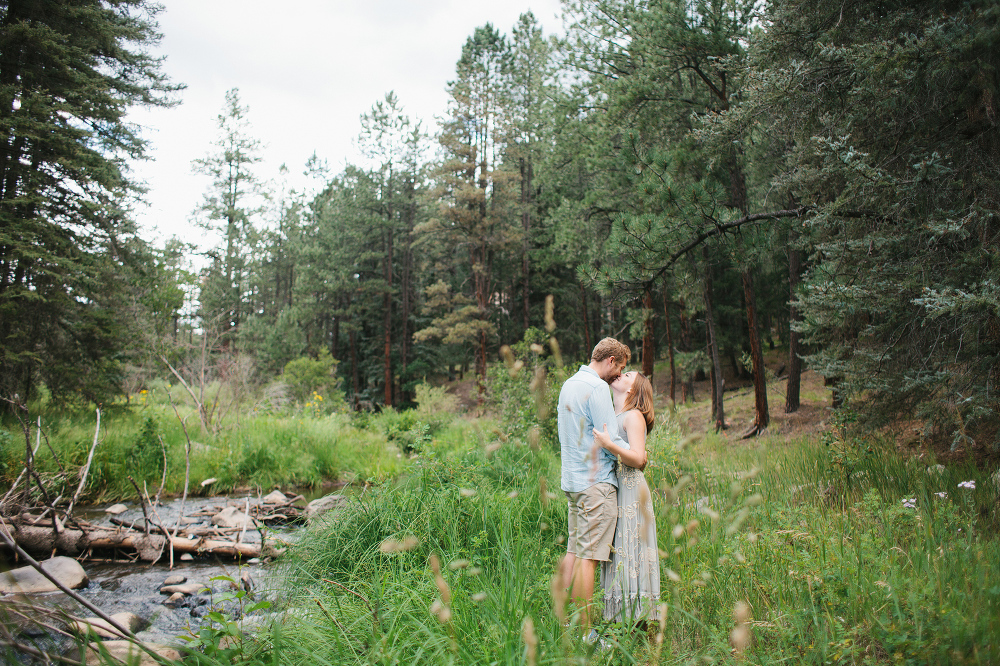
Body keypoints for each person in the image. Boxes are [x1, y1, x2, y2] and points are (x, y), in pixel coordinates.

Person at [557, 337, 631, 638]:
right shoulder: (598, 388)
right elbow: (609, 438)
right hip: (596, 484)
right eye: (621, 367)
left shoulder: (569, 384)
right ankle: (587, 635)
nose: (619, 375)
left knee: (574, 551)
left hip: (572, 484)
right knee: (589, 558)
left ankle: (566, 625)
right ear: (610, 360)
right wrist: (637, 451)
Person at [593, 370, 660, 627]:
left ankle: (637, 620)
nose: (620, 374)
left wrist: (609, 445)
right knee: (616, 550)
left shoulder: (634, 416)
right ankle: (617, 617)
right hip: (614, 487)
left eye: (627, 374)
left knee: (630, 548)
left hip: (631, 488)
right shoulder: (614, 415)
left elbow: (639, 458)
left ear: (634, 389)